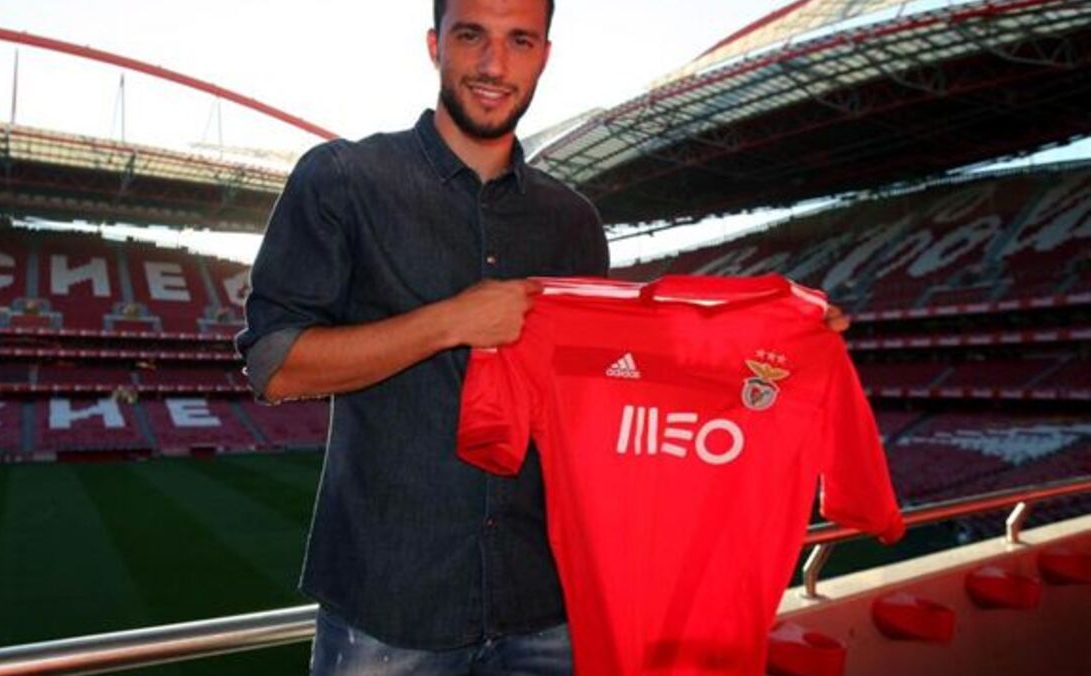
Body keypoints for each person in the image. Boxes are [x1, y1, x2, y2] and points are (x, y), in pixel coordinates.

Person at [236, 1, 849, 673]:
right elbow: (275, 363)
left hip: (547, 604)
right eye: (472, 35)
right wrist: (450, 321)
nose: (494, 64)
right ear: (434, 44)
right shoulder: (344, 179)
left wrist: (779, 348)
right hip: (392, 606)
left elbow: (612, 378)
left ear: (545, 56)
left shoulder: (572, 221)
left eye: (520, 41)